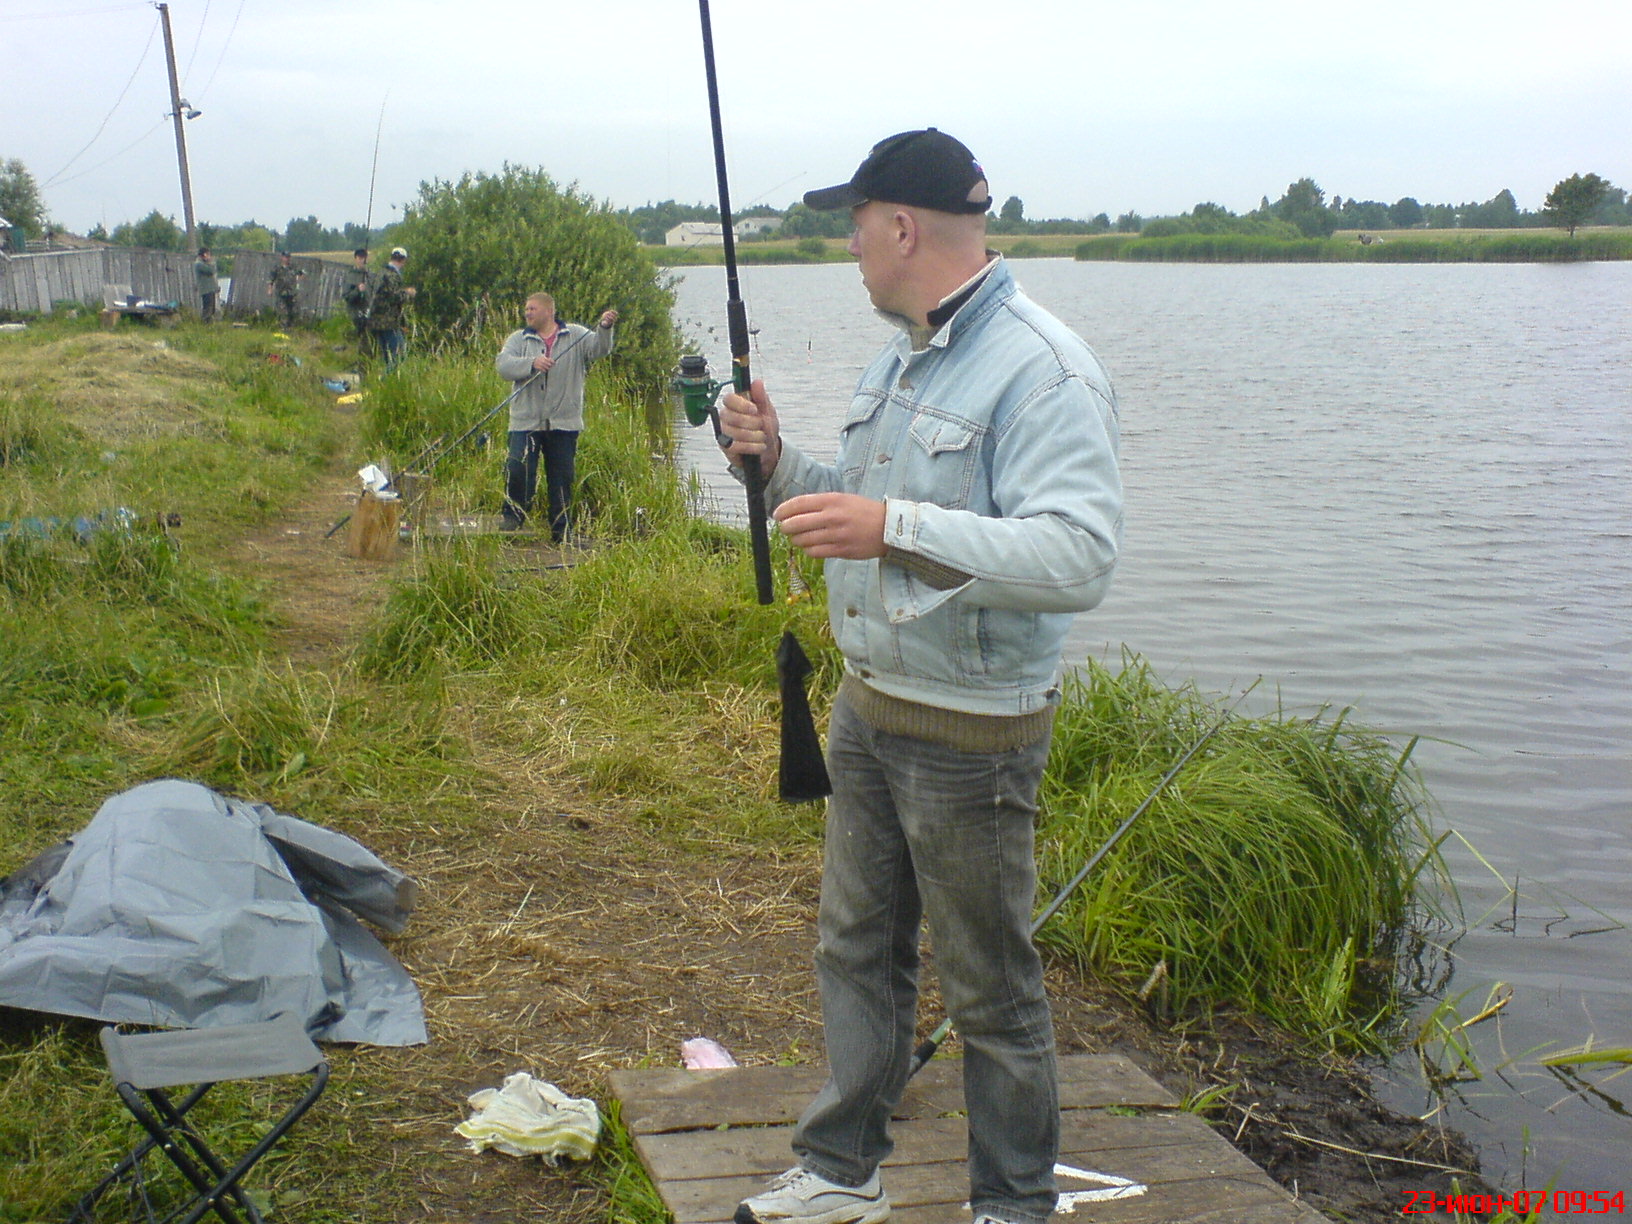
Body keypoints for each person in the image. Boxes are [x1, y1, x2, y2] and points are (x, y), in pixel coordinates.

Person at [719, 129, 1122, 1224]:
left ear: (901, 227)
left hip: (972, 736)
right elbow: (851, 505)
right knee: (855, 948)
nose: (847, 246)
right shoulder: (899, 357)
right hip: (870, 707)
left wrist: (890, 526)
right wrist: (773, 461)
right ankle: (843, 1173)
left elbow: (1078, 556)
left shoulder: (1045, 371)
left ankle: (1012, 1204)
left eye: (855, 225)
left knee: (990, 991)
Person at [493, 293, 618, 539]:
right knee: (518, 469)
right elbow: (503, 366)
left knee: (561, 479)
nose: (527, 313)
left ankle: (561, 530)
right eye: (526, 309)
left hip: (564, 423)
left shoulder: (575, 334)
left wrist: (605, 327)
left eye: (532, 308)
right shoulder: (518, 338)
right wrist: (532, 363)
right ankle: (513, 517)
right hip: (525, 422)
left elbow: (600, 349)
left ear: (549, 311)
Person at [369, 246, 416, 370]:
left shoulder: (380, 273)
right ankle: (387, 379)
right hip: (388, 321)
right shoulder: (392, 275)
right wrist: (408, 293)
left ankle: (386, 380)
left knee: (387, 357)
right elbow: (394, 297)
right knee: (399, 356)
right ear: (403, 260)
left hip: (376, 321)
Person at [341, 248, 372, 363]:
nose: (362, 260)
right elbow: (347, 297)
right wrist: (358, 290)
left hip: (368, 310)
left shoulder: (370, 275)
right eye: (359, 258)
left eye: (364, 258)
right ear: (355, 259)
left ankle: (367, 362)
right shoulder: (350, 276)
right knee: (363, 337)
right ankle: (362, 362)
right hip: (355, 311)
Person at [266, 251, 305, 329]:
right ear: (282, 257)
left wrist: (299, 280)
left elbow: (302, 274)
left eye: (288, 257)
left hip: (291, 293)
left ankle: (290, 328)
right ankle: (283, 328)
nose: (287, 259)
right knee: (283, 312)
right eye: (285, 257)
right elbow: (271, 279)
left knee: (292, 312)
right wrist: (270, 289)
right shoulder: (277, 268)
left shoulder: (293, 267)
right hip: (281, 293)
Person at [193, 248, 220, 322]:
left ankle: (209, 323)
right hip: (206, 290)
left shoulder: (204, 263)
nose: (209, 256)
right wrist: (211, 262)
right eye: (208, 254)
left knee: (212, 309)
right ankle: (205, 323)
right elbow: (211, 271)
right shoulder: (199, 264)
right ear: (204, 254)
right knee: (208, 309)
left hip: (210, 289)